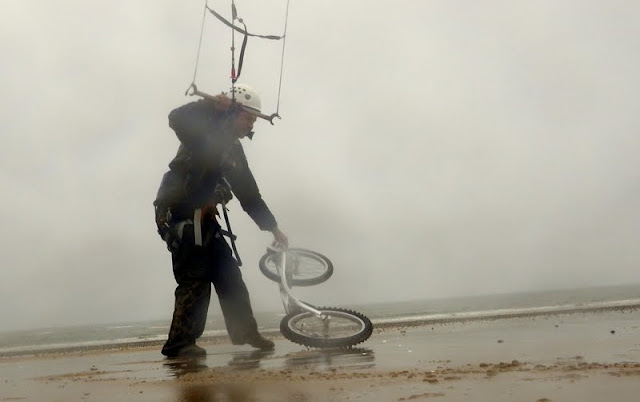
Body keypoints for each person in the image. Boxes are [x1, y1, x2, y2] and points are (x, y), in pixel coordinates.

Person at [153, 84, 289, 358]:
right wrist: (209, 106)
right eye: (248, 117)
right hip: (179, 216)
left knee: (229, 275)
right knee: (195, 278)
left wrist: (273, 228)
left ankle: (245, 333)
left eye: (254, 119)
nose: (252, 123)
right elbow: (176, 118)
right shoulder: (202, 135)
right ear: (232, 113)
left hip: (206, 220)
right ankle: (180, 344)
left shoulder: (233, 151)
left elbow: (249, 195)